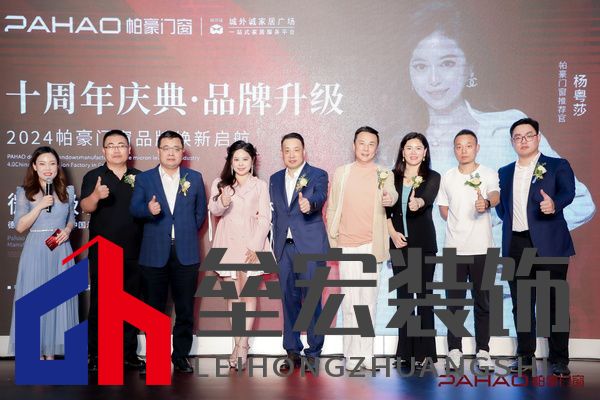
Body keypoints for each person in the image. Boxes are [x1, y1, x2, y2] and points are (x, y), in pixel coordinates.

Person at [384, 1, 594, 231]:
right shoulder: (397, 146)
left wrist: (508, 237)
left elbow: (579, 203)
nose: (434, 79)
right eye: (421, 66)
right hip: (426, 255)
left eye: (447, 63)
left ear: (470, 66)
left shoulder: (506, 129)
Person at [496, 118, 575, 379]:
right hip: (517, 245)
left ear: (538, 138)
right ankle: (525, 357)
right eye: (517, 137)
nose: (523, 141)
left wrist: (554, 205)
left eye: (528, 135)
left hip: (550, 243)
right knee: (521, 305)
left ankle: (559, 359)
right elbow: (503, 208)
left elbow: (568, 193)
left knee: (554, 304)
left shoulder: (557, 165)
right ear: (512, 142)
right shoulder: (505, 172)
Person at [130, 130, 207, 373]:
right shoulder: (145, 178)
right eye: (166, 148)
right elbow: (134, 209)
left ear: (182, 152)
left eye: (176, 148)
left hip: (186, 252)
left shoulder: (195, 178)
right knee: (154, 309)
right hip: (154, 253)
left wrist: (184, 232)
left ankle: (181, 356)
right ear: (158, 151)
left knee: (185, 308)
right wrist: (148, 210)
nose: (171, 153)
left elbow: (200, 214)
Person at [326, 126, 398, 371]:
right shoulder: (342, 172)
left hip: (371, 246)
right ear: (354, 145)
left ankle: (366, 354)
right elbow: (332, 207)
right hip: (346, 244)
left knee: (368, 302)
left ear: (376, 148)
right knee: (349, 301)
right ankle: (351, 354)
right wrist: (333, 240)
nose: (366, 148)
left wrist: (389, 199)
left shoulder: (384, 173)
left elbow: (392, 195)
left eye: (371, 144)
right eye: (362, 143)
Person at [80, 129, 144, 373]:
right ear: (103, 150)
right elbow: (86, 206)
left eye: (121, 145)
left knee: (131, 304)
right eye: (111, 145)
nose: (117, 149)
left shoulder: (140, 177)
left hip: (135, 250)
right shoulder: (94, 176)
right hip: (104, 250)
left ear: (129, 150)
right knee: (100, 304)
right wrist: (96, 196)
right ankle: (95, 354)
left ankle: (128, 353)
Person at [437, 129, 499, 370]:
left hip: (484, 250)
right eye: (459, 146)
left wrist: (486, 203)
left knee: (484, 302)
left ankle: (483, 351)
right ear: (454, 149)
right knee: (454, 304)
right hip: (453, 249)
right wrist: (459, 222)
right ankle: (455, 350)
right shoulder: (448, 177)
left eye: (468, 145)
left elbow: (494, 196)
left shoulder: (488, 173)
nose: (463, 150)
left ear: (477, 148)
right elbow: (444, 209)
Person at [8, 146, 78, 359]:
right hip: (36, 249)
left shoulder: (67, 191)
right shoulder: (25, 192)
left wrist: (67, 230)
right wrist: (39, 205)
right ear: (34, 167)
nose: (48, 168)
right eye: (42, 163)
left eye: (52, 163)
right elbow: (20, 226)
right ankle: (36, 354)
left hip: (60, 248)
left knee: (58, 301)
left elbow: (71, 219)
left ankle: (51, 354)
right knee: (35, 299)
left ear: (58, 166)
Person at [207, 140, 271, 371]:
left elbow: (265, 218)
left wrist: (255, 247)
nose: (241, 163)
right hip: (227, 244)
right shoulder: (220, 183)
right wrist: (223, 201)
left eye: (245, 159)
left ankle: (242, 345)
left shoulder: (260, 185)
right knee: (232, 298)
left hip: (252, 245)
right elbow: (214, 210)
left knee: (248, 296)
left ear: (252, 161)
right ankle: (238, 344)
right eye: (236, 159)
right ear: (230, 162)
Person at [269, 133, 329, 372]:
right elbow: (275, 214)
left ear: (304, 151)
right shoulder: (274, 179)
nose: (292, 154)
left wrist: (309, 204)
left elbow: (320, 196)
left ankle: (314, 352)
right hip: (284, 249)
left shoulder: (318, 174)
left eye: (296, 149)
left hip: (311, 247)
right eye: (287, 150)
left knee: (312, 300)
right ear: (282, 153)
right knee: (289, 300)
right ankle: (292, 350)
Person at [385, 132, 440, 368]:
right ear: (402, 151)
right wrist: (392, 233)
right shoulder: (391, 176)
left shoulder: (432, 176)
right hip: (399, 244)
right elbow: (385, 210)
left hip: (424, 244)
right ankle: (405, 353)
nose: (413, 152)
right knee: (404, 299)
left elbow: (427, 198)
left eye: (418, 148)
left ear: (425, 152)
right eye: (409, 147)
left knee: (424, 298)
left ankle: (425, 353)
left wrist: (417, 202)